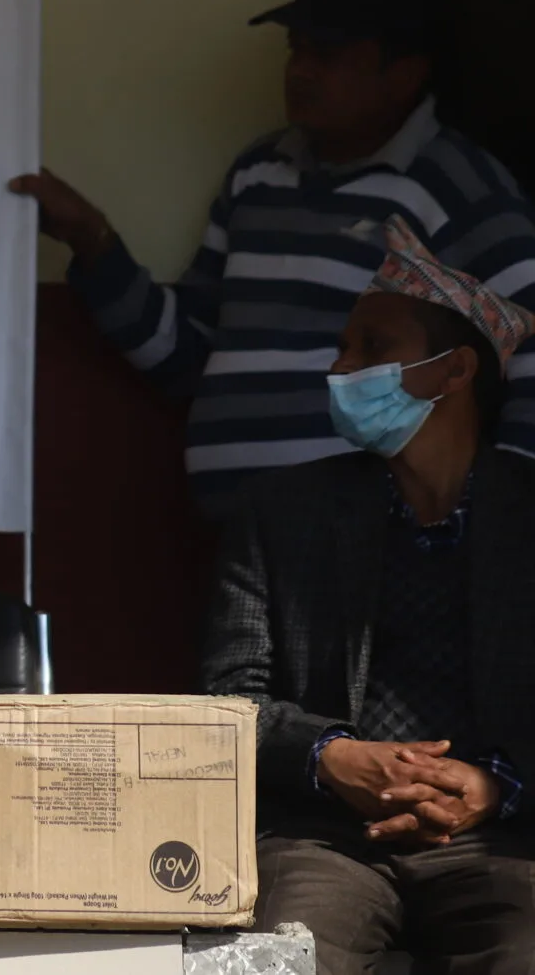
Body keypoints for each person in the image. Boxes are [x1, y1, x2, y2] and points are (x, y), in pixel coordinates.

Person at [13, 0, 535, 516]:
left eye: (327, 56)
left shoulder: (455, 187)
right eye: (296, 49)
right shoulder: (257, 175)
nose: (300, 71)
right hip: (238, 531)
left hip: (370, 533)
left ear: (403, 76)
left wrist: (506, 503)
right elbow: (185, 358)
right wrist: (93, 242)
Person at [204, 217, 535, 975]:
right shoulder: (279, 513)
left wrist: (494, 785)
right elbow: (227, 698)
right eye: (343, 346)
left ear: (454, 372)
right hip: (321, 839)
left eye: (372, 346)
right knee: (270, 963)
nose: (342, 367)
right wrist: (333, 756)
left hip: (501, 841)